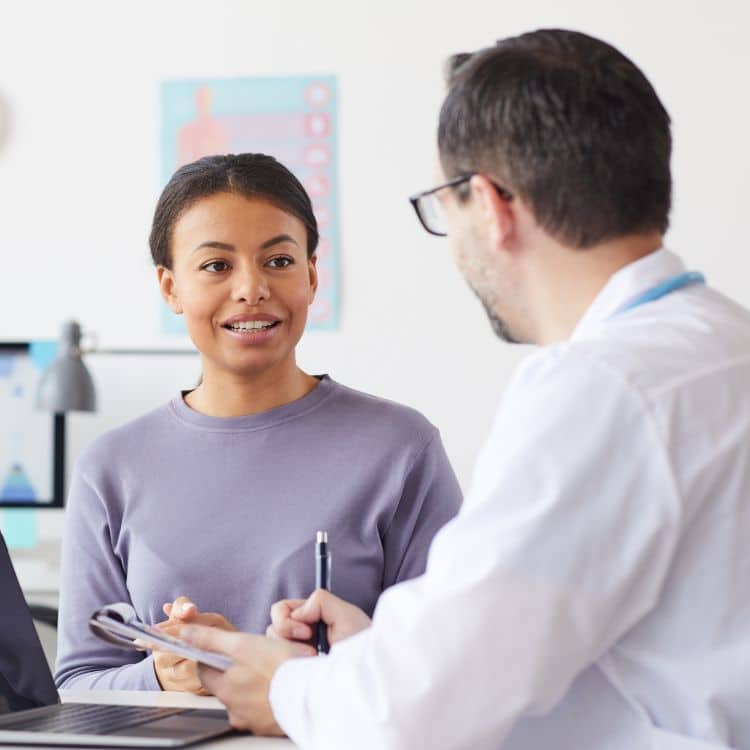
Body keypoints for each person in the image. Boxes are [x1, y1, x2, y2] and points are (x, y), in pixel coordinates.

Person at [179, 29, 750, 749]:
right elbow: (593, 651)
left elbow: (418, 712)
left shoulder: (601, 387)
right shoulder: (724, 345)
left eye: (443, 206)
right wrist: (377, 654)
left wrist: (285, 689)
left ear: (488, 203)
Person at [54, 153, 462, 693]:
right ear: (171, 287)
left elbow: (452, 662)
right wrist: (164, 674)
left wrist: (338, 661)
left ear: (312, 276)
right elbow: (77, 685)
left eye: (278, 261)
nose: (252, 288)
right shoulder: (110, 468)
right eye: (217, 266)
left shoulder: (402, 448)